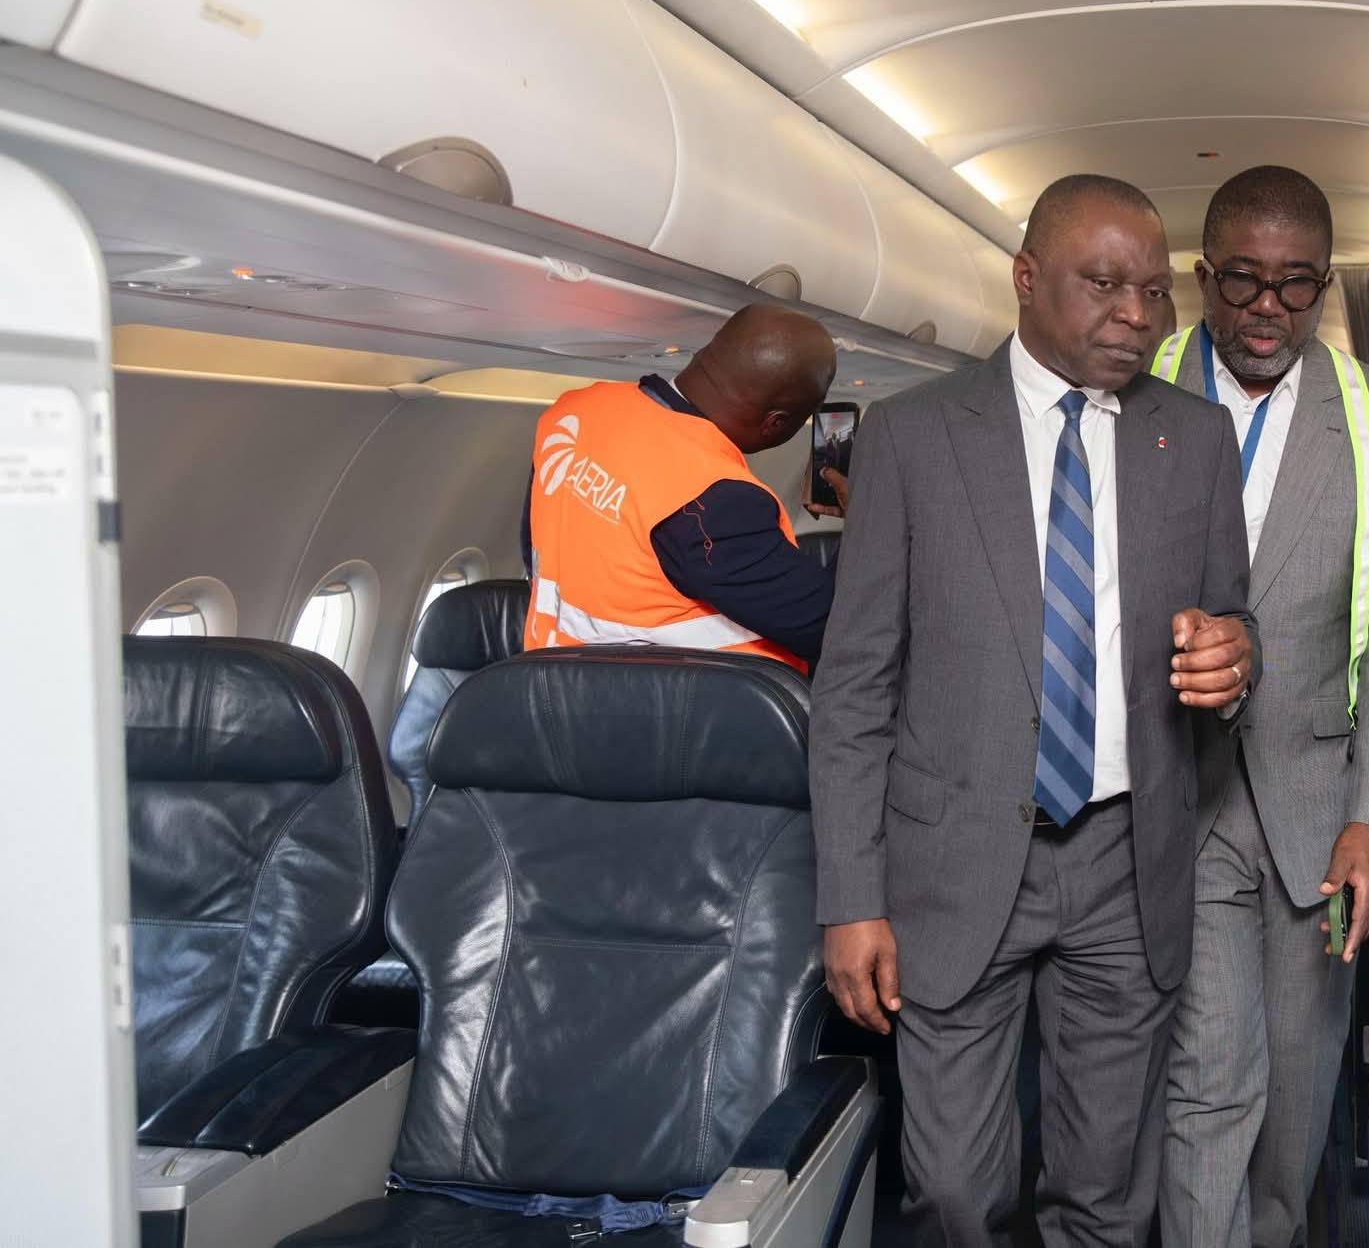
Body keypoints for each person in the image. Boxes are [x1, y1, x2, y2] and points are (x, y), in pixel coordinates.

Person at [810, 174, 1259, 1246]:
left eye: (1154, 292)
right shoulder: (913, 438)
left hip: (1123, 858)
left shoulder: (1189, 439)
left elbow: (1229, 624)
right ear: (1025, 278)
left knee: (1104, 1198)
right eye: (1104, 285)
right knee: (958, 1194)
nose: (1135, 316)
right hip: (953, 860)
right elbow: (855, 685)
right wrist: (848, 898)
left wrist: (1234, 661)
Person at [1155, 166, 1369, 1248]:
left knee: (1291, 1115)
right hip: (1169, 802)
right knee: (1207, 1092)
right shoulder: (1133, 388)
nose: (1266, 309)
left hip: (1315, 815)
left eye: (1294, 286)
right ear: (1200, 277)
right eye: (1241, 282)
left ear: (1324, 284)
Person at [521, 302, 847, 670]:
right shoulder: (715, 500)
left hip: (545, 684)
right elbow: (836, 626)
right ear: (775, 423)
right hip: (685, 716)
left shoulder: (574, 411)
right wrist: (868, 515)